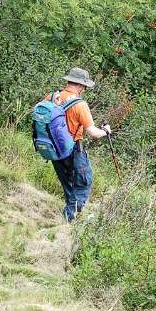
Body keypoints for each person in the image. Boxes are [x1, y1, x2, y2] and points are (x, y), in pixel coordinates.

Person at [47, 67, 111, 222]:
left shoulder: (51, 97)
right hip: (73, 149)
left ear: (69, 80)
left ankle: (69, 220)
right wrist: (106, 131)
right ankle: (68, 216)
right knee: (84, 182)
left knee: (68, 182)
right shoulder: (79, 104)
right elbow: (93, 133)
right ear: (81, 85)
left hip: (54, 149)